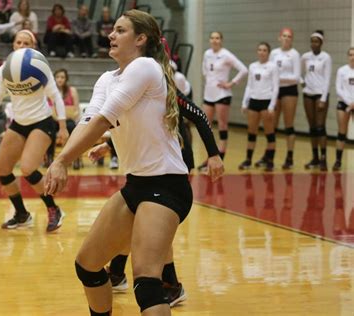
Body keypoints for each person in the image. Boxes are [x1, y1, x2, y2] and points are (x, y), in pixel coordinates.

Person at [44, 10, 224, 315]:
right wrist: (102, 145)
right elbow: (91, 120)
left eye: (120, 30)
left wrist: (62, 159)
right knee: (87, 265)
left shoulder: (145, 67)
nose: (111, 35)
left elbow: (104, 118)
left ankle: (171, 287)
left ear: (140, 39)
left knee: (146, 279)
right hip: (136, 184)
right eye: (112, 30)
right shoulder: (107, 77)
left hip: (167, 185)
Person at [0, 30, 69, 231]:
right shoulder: (4, 70)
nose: (22, 45)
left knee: (27, 168)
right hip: (19, 123)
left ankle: (54, 209)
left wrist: (62, 126)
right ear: (13, 45)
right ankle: (21, 214)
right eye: (18, 42)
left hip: (42, 123)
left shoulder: (40, 67)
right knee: (2, 169)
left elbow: (56, 97)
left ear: (33, 46)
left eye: (27, 42)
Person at [199, 31, 247, 171]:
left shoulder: (226, 54)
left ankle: (221, 155)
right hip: (209, 94)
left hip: (222, 94)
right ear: (210, 40)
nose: (215, 40)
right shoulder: (207, 53)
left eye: (217, 38)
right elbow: (204, 70)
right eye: (212, 38)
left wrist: (231, 83)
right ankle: (210, 156)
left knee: (222, 125)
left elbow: (243, 70)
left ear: (221, 40)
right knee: (205, 125)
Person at [239, 42, 279, 171]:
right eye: (260, 50)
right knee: (251, 131)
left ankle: (270, 161)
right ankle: (248, 159)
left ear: (268, 53)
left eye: (265, 50)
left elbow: (275, 87)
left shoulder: (272, 67)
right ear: (257, 52)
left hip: (266, 102)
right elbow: (249, 86)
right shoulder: (252, 66)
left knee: (269, 132)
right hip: (254, 101)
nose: (262, 52)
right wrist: (245, 103)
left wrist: (272, 106)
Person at [266, 28, 300, 170]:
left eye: (289, 36)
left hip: (289, 91)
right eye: (284, 36)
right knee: (272, 124)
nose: (286, 38)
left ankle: (289, 156)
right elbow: (269, 71)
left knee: (288, 124)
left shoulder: (294, 54)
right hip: (275, 90)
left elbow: (296, 77)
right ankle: (269, 156)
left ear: (292, 39)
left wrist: (279, 78)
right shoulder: (274, 53)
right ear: (279, 37)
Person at [301, 30, 332, 171]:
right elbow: (298, 72)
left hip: (320, 94)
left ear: (321, 43)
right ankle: (315, 158)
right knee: (312, 127)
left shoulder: (326, 57)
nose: (314, 43)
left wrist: (323, 98)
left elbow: (327, 79)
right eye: (312, 41)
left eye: (316, 41)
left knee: (320, 127)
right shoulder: (305, 57)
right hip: (308, 93)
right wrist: (302, 81)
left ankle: (324, 159)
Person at [46, 68, 82, 169]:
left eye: (62, 77)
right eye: (57, 77)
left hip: (68, 119)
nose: (60, 79)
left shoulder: (72, 91)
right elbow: (46, 108)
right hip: (54, 119)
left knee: (72, 127)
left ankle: (75, 157)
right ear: (54, 79)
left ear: (66, 79)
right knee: (49, 129)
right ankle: (49, 157)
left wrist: (71, 114)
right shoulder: (49, 92)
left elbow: (77, 110)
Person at [333, 47, 354, 171]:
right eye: (350, 54)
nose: (353, 57)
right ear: (347, 56)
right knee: (342, 132)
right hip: (344, 103)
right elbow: (338, 89)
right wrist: (349, 102)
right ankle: (338, 160)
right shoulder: (342, 70)